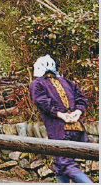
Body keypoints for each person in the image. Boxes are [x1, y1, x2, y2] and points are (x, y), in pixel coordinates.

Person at [29, 54, 92, 183]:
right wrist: (77, 113)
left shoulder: (37, 84)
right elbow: (82, 99)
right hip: (77, 129)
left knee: (66, 164)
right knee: (60, 165)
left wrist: (61, 115)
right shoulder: (67, 82)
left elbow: (42, 102)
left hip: (60, 131)